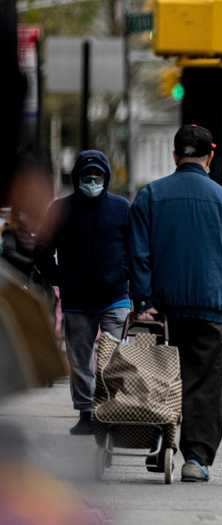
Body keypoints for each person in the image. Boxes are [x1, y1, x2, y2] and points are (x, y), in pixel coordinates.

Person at [129, 124, 222, 482]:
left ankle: (159, 438)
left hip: (162, 312)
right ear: (211, 154)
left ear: (175, 155)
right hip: (209, 310)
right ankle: (196, 458)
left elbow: (138, 255)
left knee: (158, 377)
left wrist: (143, 300)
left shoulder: (150, 196)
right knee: (204, 385)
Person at [36, 150, 130, 436]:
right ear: (76, 178)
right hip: (77, 301)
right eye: (87, 176)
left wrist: (131, 282)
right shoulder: (59, 210)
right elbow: (42, 249)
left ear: (106, 177)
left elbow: (137, 250)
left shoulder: (122, 208)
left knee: (114, 359)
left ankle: (113, 409)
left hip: (115, 297)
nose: (92, 180)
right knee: (80, 360)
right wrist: (58, 278)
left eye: (98, 175)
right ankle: (86, 412)